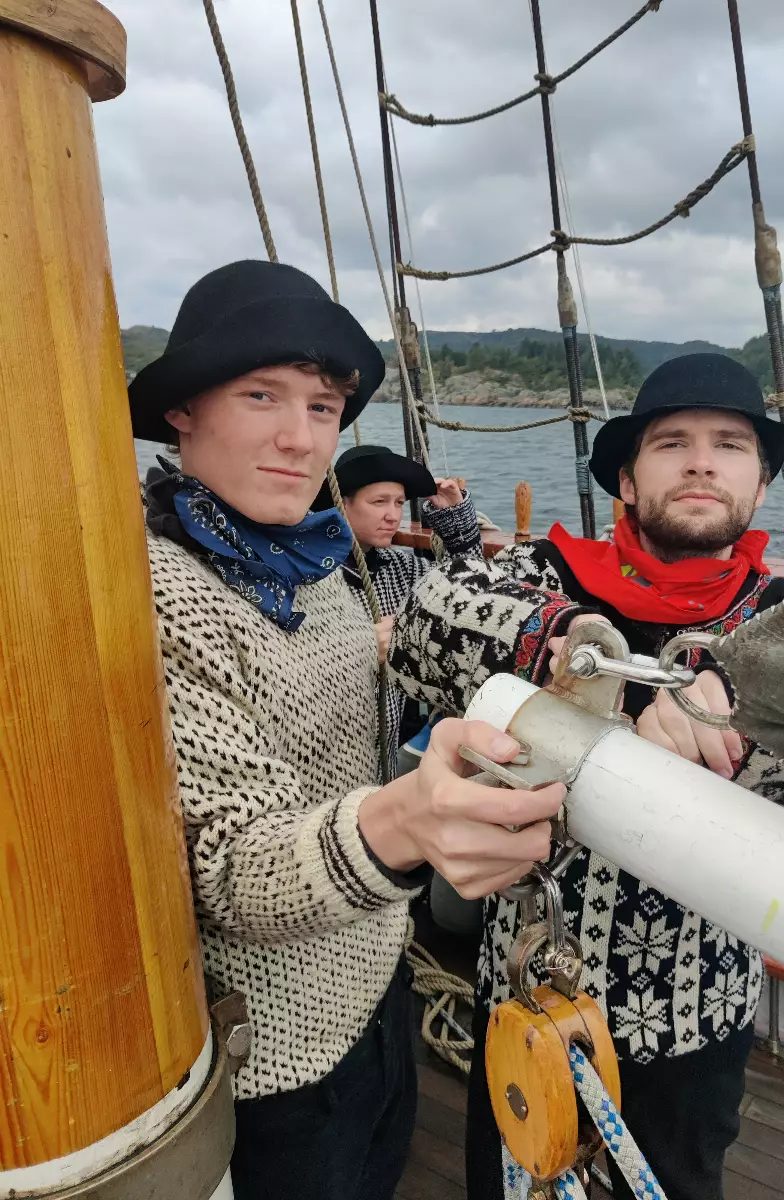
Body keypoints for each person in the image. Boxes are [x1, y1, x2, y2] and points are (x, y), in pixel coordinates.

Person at [128, 259, 570, 1200]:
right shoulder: (159, 592)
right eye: (261, 396)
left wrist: (557, 646)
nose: (300, 439)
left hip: (379, 978)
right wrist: (406, 822)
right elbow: (227, 864)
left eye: (323, 407)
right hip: (279, 1057)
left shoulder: (312, 560)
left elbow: (392, 663)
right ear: (182, 412)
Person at [388, 353, 784, 1200]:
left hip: (695, 1017)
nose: (701, 463)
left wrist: (747, 700)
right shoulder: (545, 577)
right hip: (527, 1001)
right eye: (672, 443)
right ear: (627, 478)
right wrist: (579, 653)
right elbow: (430, 617)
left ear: (760, 484)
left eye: (730, 445)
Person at [321, 443, 481, 773]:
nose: (393, 515)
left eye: (398, 503)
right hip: (329, 753)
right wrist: (362, 647)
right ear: (342, 503)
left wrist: (455, 520)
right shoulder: (310, 574)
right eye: (379, 502)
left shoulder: (400, 567)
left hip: (386, 757)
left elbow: (468, 594)